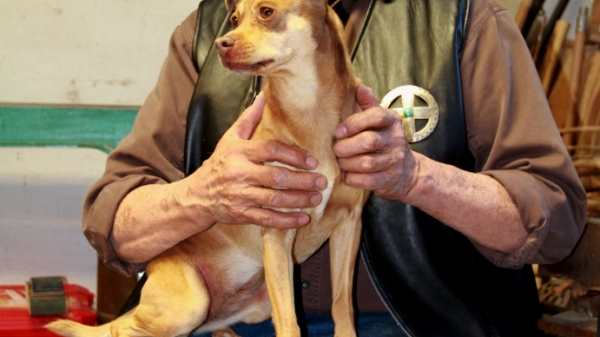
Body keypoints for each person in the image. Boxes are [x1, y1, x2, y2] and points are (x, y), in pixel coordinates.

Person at [82, 0, 587, 335]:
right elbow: (114, 221)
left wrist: (415, 178)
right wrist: (205, 193)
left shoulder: (462, 19)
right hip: (228, 323)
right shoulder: (210, 30)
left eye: (265, 12)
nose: (242, 25)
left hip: (414, 323)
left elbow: (554, 221)